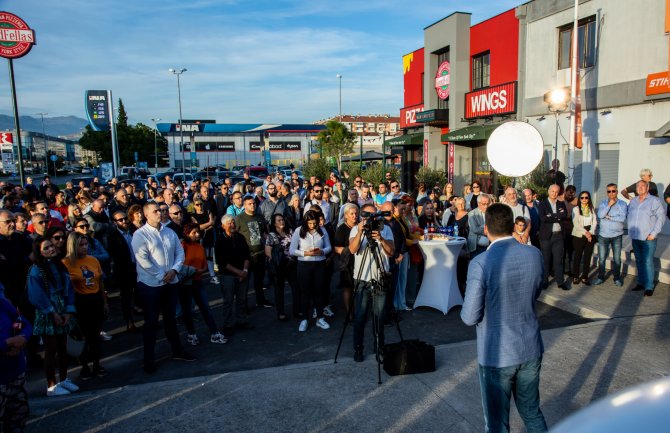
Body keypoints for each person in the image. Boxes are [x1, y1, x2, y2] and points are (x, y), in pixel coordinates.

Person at [461, 203, 548, 433]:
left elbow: (469, 316)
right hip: (529, 346)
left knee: (497, 424)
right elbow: (536, 291)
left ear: (486, 229)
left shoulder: (481, 262)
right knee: (532, 412)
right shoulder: (533, 254)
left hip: (497, 354)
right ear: (513, 226)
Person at [131, 202, 195, 374]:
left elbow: (180, 253)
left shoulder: (169, 232)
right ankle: (149, 359)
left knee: (170, 320)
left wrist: (174, 270)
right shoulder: (140, 235)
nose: (160, 213)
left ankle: (177, 351)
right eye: (156, 211)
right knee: (151, 323)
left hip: (171, 283)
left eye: (160, 210)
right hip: (151, 285)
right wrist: (162, 275)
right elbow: (143, 260)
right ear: (147, 215)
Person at [27, 238, 79, 397]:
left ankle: (64, 379)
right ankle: (51, 385)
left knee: (63, 347)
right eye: (47, 247)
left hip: (62, 306)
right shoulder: (36, 270)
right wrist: (52, 312)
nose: (52, 249)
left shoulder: (59, 265)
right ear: (40, 252)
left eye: (51, 246)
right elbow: (36, 295)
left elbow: (69, 288)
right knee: (51, 349)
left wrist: (68, 310)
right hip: (48, 310)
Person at [349, 203, 394, 362]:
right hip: (362, 279)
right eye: (368, 216)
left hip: (380, 278)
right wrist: (360, 232)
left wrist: (381, 239)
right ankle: (358, 348)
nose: (372, 219)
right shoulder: (355, 229)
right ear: (362, 217)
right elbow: (352, 250)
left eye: (375, 215)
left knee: (379, 317)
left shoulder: (385, 229)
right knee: (360, 316)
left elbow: (391, 252)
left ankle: (379, 347)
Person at [63, 232, 109, 380]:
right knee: (82, 335)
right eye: (81, 245)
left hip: (95, 299)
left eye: (86, 244)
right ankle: (84, 366)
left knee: (95, 335)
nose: (85, 247)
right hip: (79, 301)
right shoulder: (66, 263)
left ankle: (96, 364)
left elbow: (100, 281)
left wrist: (105, 301)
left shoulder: (93, 260)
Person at [180, 223, 228, 345]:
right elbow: (179, 264)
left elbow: (205, 265)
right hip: (185, 283)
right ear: (187, 234)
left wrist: (199, 271)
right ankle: (191, 334)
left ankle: (214, 333)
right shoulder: (182, 246)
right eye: (194, 233)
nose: (197, 234)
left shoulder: (200, 247)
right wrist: (192, 271)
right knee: (187, 310)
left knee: (205, 308)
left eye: (198, 232)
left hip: (197, 281)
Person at [289, 210, 332, 332]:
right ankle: (305, 319)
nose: (312, 226)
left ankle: (320, 317)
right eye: (310, 223)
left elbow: (329, 247)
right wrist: (305, 253)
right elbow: (292, 250)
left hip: (319, 263)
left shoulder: (322, 230)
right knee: (305, 293)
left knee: (319, 292)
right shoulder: (299, 231)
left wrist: (322, 251)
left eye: (314, 223)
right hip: (304, 264)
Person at [0, 287, 32, 431]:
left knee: (19, 419)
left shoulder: (3, 303)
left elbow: (21, 322)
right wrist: (6, 344)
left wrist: (21, 337)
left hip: (16, 374)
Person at [215, 215, 252, 336]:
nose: (232, 225)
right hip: (228, 275)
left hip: (242, 273)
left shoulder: (240, 237)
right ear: (223, 225)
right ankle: (228, 324)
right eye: (230, 223)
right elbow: (223, 263)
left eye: (233, 222)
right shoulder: (220, 241)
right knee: (228, 301)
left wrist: (245, 271)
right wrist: (239, 272)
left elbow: (247, 255)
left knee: (242, 299)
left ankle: (241, 321)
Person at [627, 180, 665, 296]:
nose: (640, 188)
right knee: (639, 260)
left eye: (643, 186)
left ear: (647, 188)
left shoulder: (654, 201)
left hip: (648, 238)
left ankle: (649, 286)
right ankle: (641, 282)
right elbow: (629, 215)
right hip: (635, 237)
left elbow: (661, 218)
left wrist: (653, 233)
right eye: (638, 186)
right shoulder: (633, 201)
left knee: (648, 262)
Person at [235, 195, 273, 308]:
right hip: (246, 256)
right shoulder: (239, 218)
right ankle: (243, 304)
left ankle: (261, 301)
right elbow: (235, 236)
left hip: (260, 254)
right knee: (245, 282)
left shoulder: (260, 217)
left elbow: (265, 233)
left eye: (254, 203)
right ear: (244, 205)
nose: (252, 205)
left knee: (259, 280)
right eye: (249, 204)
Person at [107, 210, 139, 332]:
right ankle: (129, 322)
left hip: (138, 268)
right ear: (115, 222)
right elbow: (115, 257)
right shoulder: (113, 237)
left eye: (125, 218)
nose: (124, 221)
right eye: (120, 220)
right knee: (126, 298)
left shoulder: (133, 232)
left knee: (142, 295)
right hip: (125, 271)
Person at [592, 184, 627, 286]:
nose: (611, 193)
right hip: (603, 235)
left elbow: (622, 218)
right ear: (606, 192)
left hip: (617, 235)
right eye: (609, 191)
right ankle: (600, 277)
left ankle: (617, 278)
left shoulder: (622, 204)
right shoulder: (603, 203)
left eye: (613, 191)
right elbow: (600, 215)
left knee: (617, 258)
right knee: (602, 258)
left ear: (617, 191)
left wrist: (609, 217)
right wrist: (609, 205)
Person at [265, 214, 297, 321]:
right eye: (278, 220)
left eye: (282, 219)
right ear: (274, 223)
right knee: (279, 290)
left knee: (296, 287)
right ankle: (281, 313)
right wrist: (275, 262)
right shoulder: (271, 235)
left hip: (291, 265)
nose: (281, 222)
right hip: (279, 267)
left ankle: (297, 310)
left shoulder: (290, 232)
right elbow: (268, 252)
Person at [538, 185, 570, 290]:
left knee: (558, 260)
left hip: (558, 236)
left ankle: (560, 282)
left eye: (557, 192)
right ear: (548, 191)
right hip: (546, 236)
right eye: (552, 191)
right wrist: (557, 216)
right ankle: (545, 281)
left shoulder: (561, 203)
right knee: (546, 260)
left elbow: (564, 215)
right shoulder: (542, 204)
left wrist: (551, 215)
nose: (554, 193)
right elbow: (543, 218)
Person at [571, 191, 597, 286]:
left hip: (590, 233)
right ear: (579, 199)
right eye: (582, 197)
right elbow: (576, 224)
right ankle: (576, 276)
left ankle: (585, 277)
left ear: (589, 199)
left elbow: (594, 222)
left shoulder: (591, 209)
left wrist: (590, 232)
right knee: (577, 256)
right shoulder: (576, 209)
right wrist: (586, 233)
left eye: (586, 197)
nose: (584, 199)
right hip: (579, 234)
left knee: (587, 257)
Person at [467, 194, 491, 258]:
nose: (486, 206)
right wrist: (487, 231)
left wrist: (481, 227)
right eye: (484, 204)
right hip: (476, 247)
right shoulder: (472, 214)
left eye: (488, 204)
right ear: (478, 203)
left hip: (490, 246)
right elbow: (474, 229)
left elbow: (495, 226)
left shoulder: (492, 213)